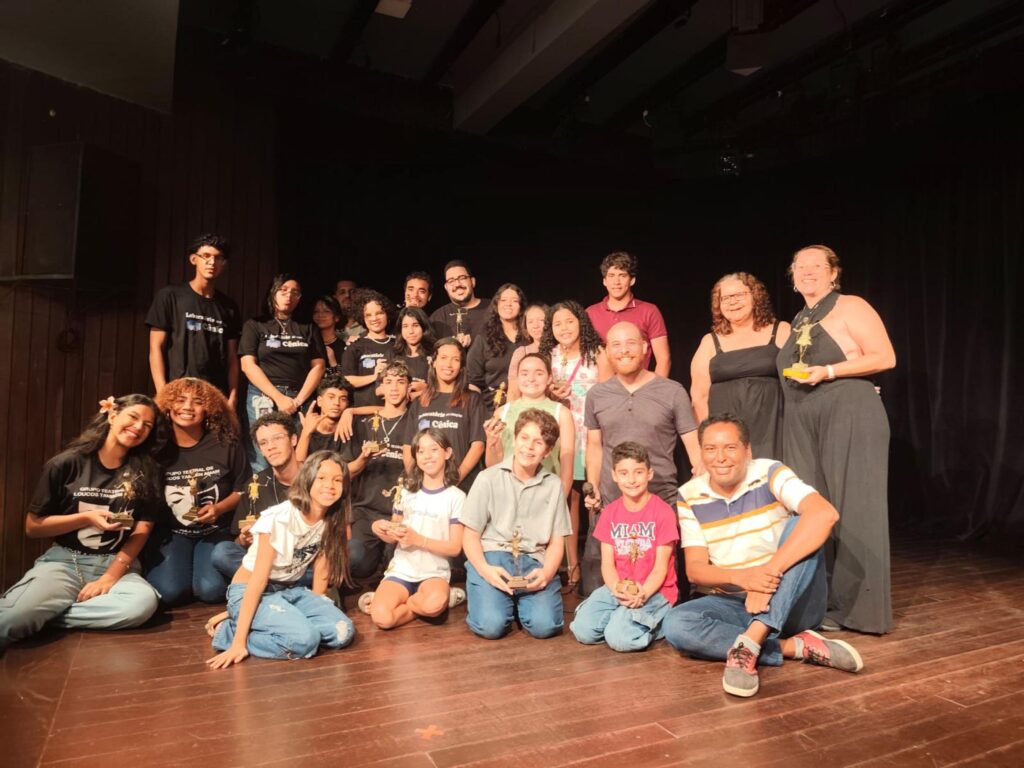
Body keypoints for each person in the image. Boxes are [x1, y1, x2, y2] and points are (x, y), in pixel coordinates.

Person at [663, 415, 864, 697]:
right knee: (676, 625)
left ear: (747, 450)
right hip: (737, 603)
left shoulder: (769, 472)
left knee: (801, 524)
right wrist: (746, 579)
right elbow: (695, 570)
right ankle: (794, 647)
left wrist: (767, 577)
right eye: (710, 449)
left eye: (730, 447)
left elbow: (824, 514)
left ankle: (751, 641)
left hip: (793, 600)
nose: (720, 457)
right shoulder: (689, 494)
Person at [777, 244, 896, 634]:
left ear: (833, 273)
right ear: (792, 277)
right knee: (813, 509)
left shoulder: (851, 306)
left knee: (856, 509)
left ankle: (861, 612)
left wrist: (828, 372)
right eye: (800, 266)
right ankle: (820, 603)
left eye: (817, 265)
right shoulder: (799, 318)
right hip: (804, 419)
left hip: (848, 411)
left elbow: (884, 357)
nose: (807, 271)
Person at [0, 395, 164, 651]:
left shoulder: (148, 471)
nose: (138, 427)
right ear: (112, 415)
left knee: (140, 606)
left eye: (147, 425)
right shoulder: (66, 463)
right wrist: (85, 518)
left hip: (117, 562)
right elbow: (33, 527)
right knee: (9, 620)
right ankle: (29, 612)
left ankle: (42, 615)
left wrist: (110, 577)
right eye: (133, 417)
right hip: (65, 561)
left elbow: (142, 529)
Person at [206, 451, 356, 667]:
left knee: (342, 632)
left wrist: (316, 606)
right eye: (321, 477)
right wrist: (239, 644)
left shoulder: (333, 519)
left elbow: (322, 569)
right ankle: (230, 632)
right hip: (252, 590)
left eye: (337, 480)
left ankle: (269, 621)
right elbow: (258, 580)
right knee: (305, 641)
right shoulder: (279, 518)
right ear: (308, 479)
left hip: (290, 590)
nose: (329, 485)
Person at [461, 409, 572, 640]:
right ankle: (497, 599)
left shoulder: (553, 485)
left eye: (538, 442)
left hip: (533, 560)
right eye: (524, 438)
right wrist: (485, 570)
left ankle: (518, 603)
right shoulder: (488, 478)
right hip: (493, 557)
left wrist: (547, 572)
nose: (529, 447)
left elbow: (556, 541)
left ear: (547, 451)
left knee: (545, 626)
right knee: (491, 626)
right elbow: (470, 535)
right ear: (514, 438)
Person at [145, 378, 248, 605]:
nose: (188, 407)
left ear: (209, 409)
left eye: (198, 402)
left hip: (214, 531)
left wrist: (219, 508)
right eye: (180, 400)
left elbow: (242, 489)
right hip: (173, 532)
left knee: (211, 591)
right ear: (168, 406)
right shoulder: (156, 448)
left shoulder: (226, 444)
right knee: (169, 592)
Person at [569, 442, 677, 651]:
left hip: (654, 590)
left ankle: (659, 621)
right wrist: (617, 590)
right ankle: (623, 616)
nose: (632, 480)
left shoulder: (663, 512)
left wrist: (643, 594)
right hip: (619, 586)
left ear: (650, 474)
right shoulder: (610, 513)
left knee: (619, 638)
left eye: (638, 472)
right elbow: (607, 565)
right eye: (624, 473)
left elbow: (660, 568)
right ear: (614, 475)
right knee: (583, 631)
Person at [585, 321, 701, 509]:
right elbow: (594, 445)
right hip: (611, 502)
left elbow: (693, 444)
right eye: (616, 344)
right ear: (607, 351)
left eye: (631, 343)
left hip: (662, 500)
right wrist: (593, 485)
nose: (624, 350)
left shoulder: (672, 391)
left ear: (645, 347)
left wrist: (700, 481)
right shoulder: (596, 395)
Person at [358, 428, 466, 628]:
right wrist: (380, 528)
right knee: (382, 618)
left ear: (447, 453)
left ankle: (433, 600)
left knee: (433, 605)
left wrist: (419, 540)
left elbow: (454, 548)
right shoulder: (406, 492)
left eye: (434, 449)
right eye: (421, 451)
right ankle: (426, 602)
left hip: (434, 573)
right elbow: (393, 536)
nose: (427, 456)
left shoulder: (456, 497)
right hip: (402, 570)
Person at [538, 300, 612, 587]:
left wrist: (579, 391)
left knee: (594, 494)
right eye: (557, 323)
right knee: (567, 497)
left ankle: (599, 562)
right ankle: (571, 564)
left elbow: (609, 392)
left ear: (581, 322)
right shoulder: (549, 356)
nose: (564, 328)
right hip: (559, 434)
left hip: (591, 433)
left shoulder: (598, 353)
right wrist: (552, 392)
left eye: (569, 321)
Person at [690, 272, 791, 458]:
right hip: (727, 438)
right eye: (725, 298)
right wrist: (708, 441)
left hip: (774, 431)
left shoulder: (781, 331)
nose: (732, 302)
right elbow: (699, 397)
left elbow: (797, 381)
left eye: (739, 295)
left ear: (755, 296)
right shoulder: (710, 342)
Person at [239, 274, 326, 470]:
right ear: (272, 293)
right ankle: (263, 490)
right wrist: (278, 398)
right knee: (264, 454)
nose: (289, 296)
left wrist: (297, 401)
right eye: (283, 290)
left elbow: (319, 366)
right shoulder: (255, 325)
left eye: (295, 292)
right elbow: (247, 365)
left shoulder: (308, 327)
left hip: (299, 396)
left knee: (298, 453)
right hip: (264, 396)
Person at [210, 412, 306, 587]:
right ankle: (285, 586)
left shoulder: (316, 477)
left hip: (303, 558)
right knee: (222, 552)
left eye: (277, 438)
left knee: (352, 551)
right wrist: (244, 538)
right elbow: (238, 540)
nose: (271, 447)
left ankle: (270, 586)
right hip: (268, 562)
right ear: (260, 449)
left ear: (293, 439)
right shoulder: (254, 484)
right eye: (263, 443)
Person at [146, 233, 241, 405]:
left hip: (215, 395)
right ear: (193, 259)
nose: (211, 262)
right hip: (177, 391)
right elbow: (156, 347)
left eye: (218, 258)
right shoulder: (170, 296)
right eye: (206, 256)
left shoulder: (229, 307)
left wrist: (233, 396)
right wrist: (162, 392)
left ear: (224, 264)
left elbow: (232, 357)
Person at [343, 362, 414, 585]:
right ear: (380, 387)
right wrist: (363, 459)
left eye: (400, 382)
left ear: (409, 387)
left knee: (401, 568)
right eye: (388, 382)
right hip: (366, 510)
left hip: (402, 513)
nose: (394, 388)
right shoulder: (361, 423)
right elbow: (346, 472)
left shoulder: (416, 422)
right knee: (356, 559)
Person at [484, 353, 574, 504]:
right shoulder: (502, 412)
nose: (531, 379)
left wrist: (557, 503)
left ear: (549, 378)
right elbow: (493, 465)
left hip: (545, 496)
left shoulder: (562, 413)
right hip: (506, 495)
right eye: (524, 373)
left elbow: (567, 467)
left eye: (539, 373)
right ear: (517, 378)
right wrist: (491, 442)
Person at [403, 338, 485, 492]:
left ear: (461, 366)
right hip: (425, 489)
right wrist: (416, 482)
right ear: (433, 362)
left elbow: (478, 445)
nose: (448, 364)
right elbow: (408, 447)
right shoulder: (419, 403)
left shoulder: (473, 399)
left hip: (461, 487)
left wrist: (453, 483)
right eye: (443, 358)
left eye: (455, 360)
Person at [586, 251, 670, 377]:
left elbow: (664, 359)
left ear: (632, 280)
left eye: (622, 275)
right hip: (600, 385)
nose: (616, 282)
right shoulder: (590, 313)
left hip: (639, 385)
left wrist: (656, 389)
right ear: (604, 281)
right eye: (611, 275)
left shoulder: (649, 311)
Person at [467, 283, 528, 401]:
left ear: (521, 306)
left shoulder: (529, 337)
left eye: (514, 301)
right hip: (493, 405)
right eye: (503, 300)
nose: (508, 304)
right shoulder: (484, 338)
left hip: (527, 404)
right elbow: (472, 380)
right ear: (496, 304)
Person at [341, 290, 396, 408]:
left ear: (387, 314)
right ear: (362, 318)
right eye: (368, 315)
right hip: (364, 410)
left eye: (379, 313)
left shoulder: (398, 344)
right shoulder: (355, 346)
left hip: (395, 411)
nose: (374, 318)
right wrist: (375, 377)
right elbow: (347, 381)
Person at [428, 260, 489, 347]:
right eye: (451, 281)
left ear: (472, 281)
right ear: (446, 287)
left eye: (462, 278)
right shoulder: (437, 317)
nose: (457, 284)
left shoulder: (493, 308)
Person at [296, 374, 351, 461]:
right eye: (331, 397)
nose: (337, 403)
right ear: (320, 401)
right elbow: (297, 465)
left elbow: (377, 410)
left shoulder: (348, 428)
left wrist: (351, 411)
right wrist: (306, 433)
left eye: (343, 399)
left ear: (347, 404)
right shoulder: (304, 426)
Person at [506, 302, 548, 400]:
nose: (536, 326)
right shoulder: (521, 352)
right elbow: (513, 392)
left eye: (541, 320)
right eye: (530, 322)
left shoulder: (560, 351)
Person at [393, 305, 435, 400]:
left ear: (424, 327)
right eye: (405, 326)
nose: (410, 331)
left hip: (428, 405)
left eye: (415, 325)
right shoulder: (393, 354)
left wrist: (426, 389)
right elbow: (379, 390)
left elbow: (446, 388)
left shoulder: (435, 354)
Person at [311, 294, 347, 374]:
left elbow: (346, 378)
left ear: (337, 317)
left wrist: (333, 362)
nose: (320, 315)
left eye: (326, 311)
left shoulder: (344, 348)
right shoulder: (309, 344)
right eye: (316, 311)